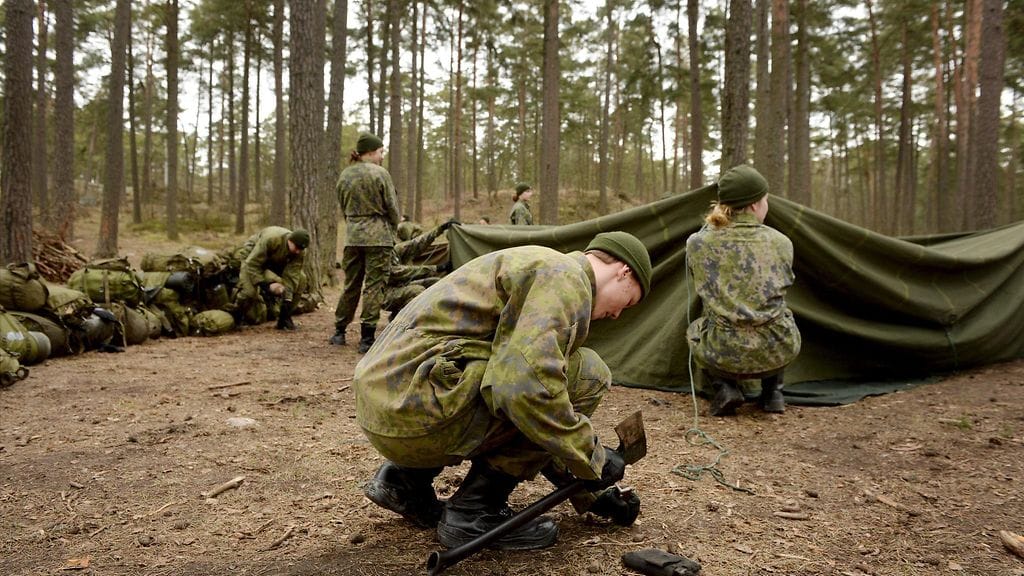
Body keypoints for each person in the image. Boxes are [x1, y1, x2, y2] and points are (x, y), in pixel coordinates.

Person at [354, 231, 653, 551]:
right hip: (415, 409)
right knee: (587, 373)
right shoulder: (564, 278)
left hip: (388, 404)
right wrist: (593, 457)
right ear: (624, 272)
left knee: (531, 372)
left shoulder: (539, 264)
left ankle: (406, 480)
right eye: (628, 302)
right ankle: (475, 511)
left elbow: (532, 406)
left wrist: (594, 491)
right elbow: (526, 391)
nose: (617, 314)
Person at [685, 165, 801, 416]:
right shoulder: (782, 242)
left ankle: (725, 387)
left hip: (722, 352)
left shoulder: (698, 243)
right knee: (781, 314)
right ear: (755, 205)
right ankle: (773, 393)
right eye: (765, 200)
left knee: (696, 329)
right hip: (778, 348)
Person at [330, 132, 401, 353]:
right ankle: (367, 337)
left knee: (351, 284)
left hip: (352, 236)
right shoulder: (380, 174)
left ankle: (339, 331)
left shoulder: (345, 175)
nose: (382, 156)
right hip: (378, 238)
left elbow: (343, 207)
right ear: (370, 152)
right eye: (380, 152)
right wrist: (393, 226)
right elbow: (392, 208)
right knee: (374, 286)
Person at [230, 226, 309, 330]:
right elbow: (253, 265)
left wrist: (287, 299)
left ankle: (284, 318)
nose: (298, 251)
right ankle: (236, 317)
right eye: (297, 247)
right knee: (249, 292)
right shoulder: (272, 239)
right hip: (251, 258)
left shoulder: (299, 252)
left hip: (273, 261)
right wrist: (265, 285)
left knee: (301, 279)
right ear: (290, 240)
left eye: (301, 249)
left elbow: (292, 275)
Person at [382, 220, 458, 315]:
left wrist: (440, 229)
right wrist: (436, 268)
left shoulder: (394, 250)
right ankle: (409, 319)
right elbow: (398, 272)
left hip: (400, 287)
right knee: (417, 291)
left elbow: (416, 243)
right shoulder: (380, 255)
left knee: (436, 282)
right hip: (385, 295)